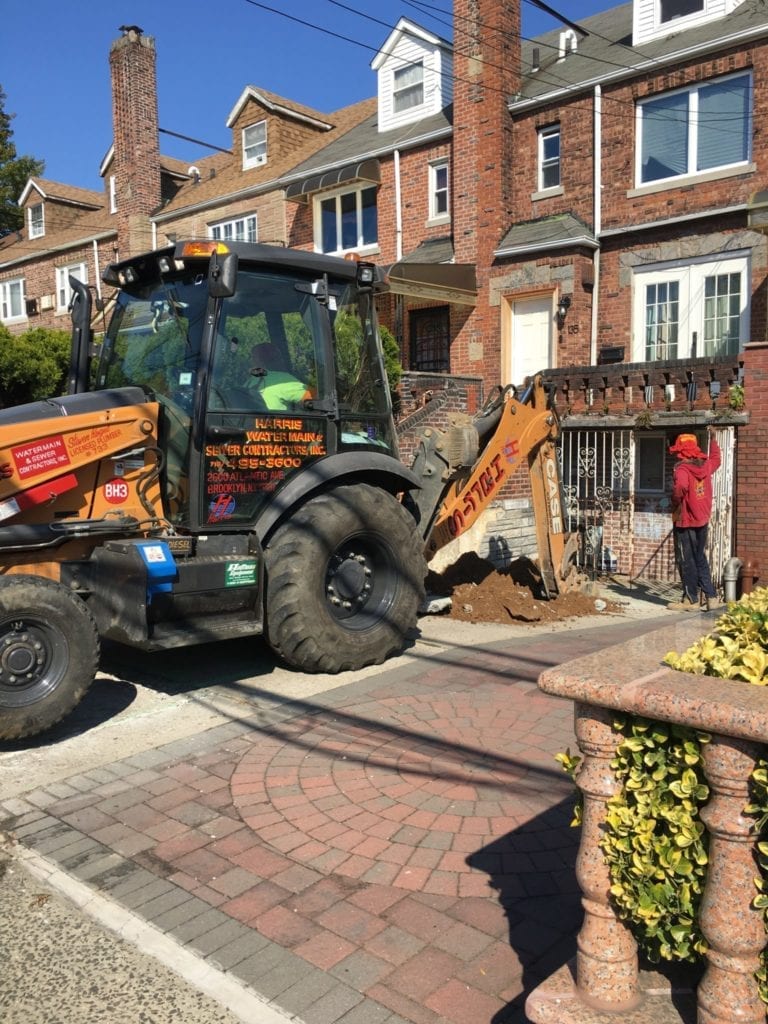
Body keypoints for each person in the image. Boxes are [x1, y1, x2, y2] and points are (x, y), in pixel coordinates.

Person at [667, 429, 725, 612]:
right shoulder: (705, 465)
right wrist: (714, 440)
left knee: (687, 559)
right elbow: (717, 459)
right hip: (702, 518)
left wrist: (675, 500)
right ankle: (712, 597)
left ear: (681, 450)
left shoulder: (682, 468)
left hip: (686, 520)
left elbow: (681, 487)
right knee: (699, 557)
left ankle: (691, 600)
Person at [247, 343, 312, 411]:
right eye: (279, 357)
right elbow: (314, 399)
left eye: (252, 358)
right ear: (274, 359)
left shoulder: (249, 382)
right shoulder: (283, 380)